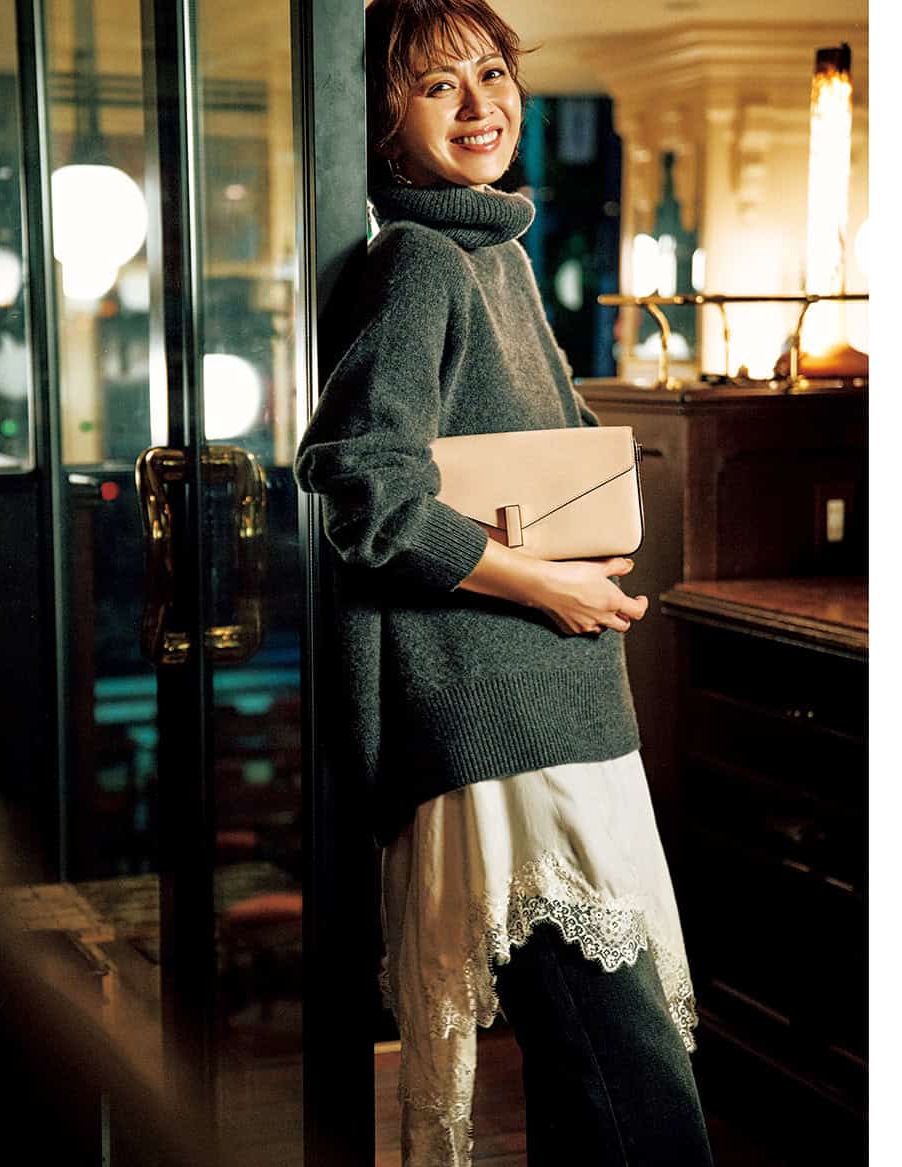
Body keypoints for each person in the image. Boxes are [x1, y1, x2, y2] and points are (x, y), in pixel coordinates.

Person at [294, 1, 717, 1163]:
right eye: (438, 85)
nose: (480, 105)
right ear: (386, 120)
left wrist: (586, 555)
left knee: (600, 1092)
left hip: (560, 705)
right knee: (634, 1097)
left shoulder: (501, 258)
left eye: (491, 73)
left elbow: (545, 457)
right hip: (496, 721)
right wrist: (544, 584)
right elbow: (362, 488)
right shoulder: (418, 262)